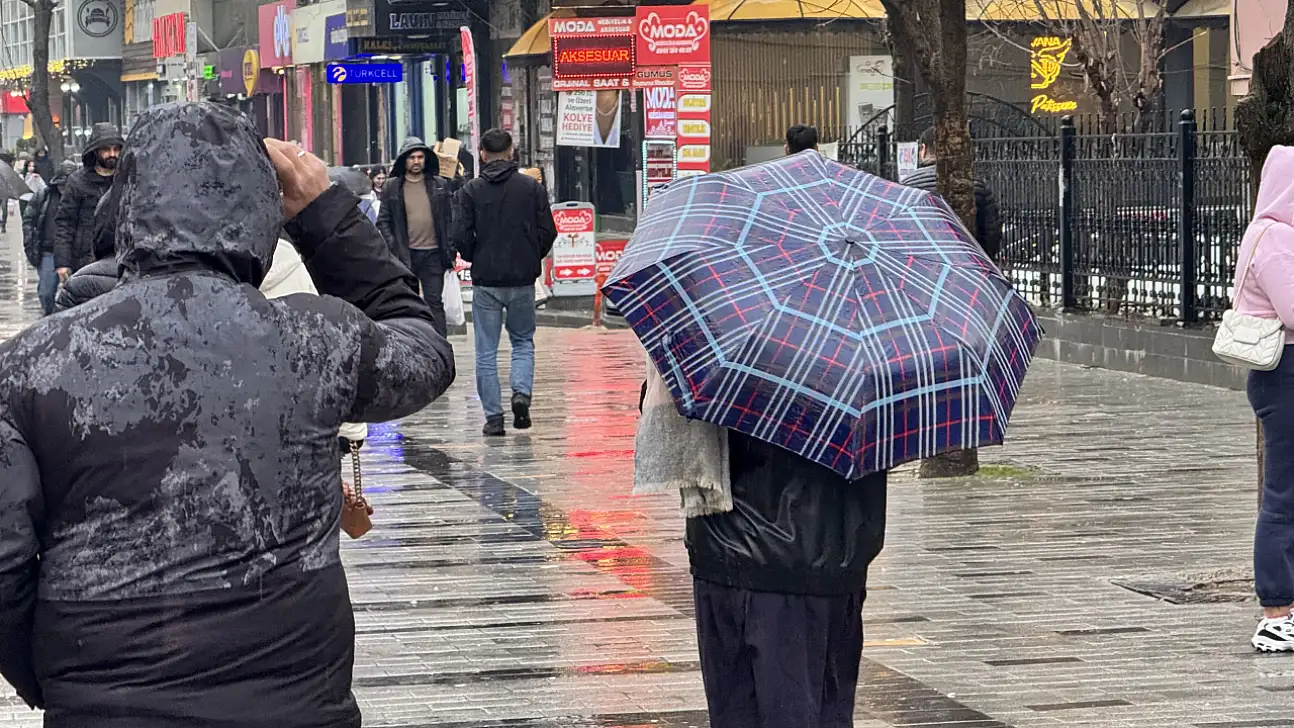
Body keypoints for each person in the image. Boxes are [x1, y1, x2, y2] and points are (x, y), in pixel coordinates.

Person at [0, 101, 455, 727]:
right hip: (296, 699)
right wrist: (327, 219)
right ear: (260, 211)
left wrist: (58, 673)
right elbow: (424, 352)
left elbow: (4, 560)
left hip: (107, 698)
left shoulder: (31, 366)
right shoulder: (315, 340)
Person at [636, 378, 887, 728]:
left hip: (735, 550)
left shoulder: (728, 334)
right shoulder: (877, 347)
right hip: (828, 555)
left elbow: (677, 405)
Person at [450, 128, 557, 436]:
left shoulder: (471, 191)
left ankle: (494, 418)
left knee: (486, 350)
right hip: (522, 279)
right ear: (511, 152)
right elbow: (548, 230)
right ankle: (521, 395)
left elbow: (459, 235)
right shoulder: (530, 188)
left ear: (482, 154)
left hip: (487, 281)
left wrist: (475, 255)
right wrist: (530, 255)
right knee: (523, 341)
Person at [1233, 145, 1294, 652]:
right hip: (1286, 375)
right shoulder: (1274, 238)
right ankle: (1276, 610)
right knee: (1283, 494)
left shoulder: (1277, 234)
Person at [376, 136, 458, 337]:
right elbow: (383, 221)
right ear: (404, 160)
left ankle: (440, 344)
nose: (416, 161)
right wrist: (394, 247)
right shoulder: (392, 186)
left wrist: (451, 248)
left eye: (420, 157)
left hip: (433, 254)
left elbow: (450, 218)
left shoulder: (438, 185)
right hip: (405, 255)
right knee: (408, 304)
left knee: (434, 302)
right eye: (412, 157)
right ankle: (414, 343)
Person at [901, 127, 1003, 260]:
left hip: (921, 263)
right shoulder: (976, 185)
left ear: (924, 150)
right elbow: (992, 231)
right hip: (966, 263)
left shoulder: (906, 187)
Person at [54, 122, 123, 279]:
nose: (112, 154)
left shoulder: (126, 180)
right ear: (96, 151)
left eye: (116, 149)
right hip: (85, 260)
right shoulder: (78, 182)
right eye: (106, 149)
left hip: (120, 257)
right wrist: (62, 263)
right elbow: (65, 223)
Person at [22, 160, 80, 314]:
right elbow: (28, 219)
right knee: (46, 293)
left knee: (79, 294)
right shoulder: (43, 196)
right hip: (48, 251)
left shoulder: (82, 196)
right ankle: (49, 316)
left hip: (75, 251)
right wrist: (29, 245)